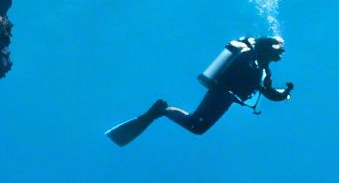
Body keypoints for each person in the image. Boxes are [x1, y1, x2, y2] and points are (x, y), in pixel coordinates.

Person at [106, 36, 293, 146]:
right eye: (279, 48)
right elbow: (259, 86)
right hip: (221, 94)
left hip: (226, 97)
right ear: (266, 47)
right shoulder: (250, 58)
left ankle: (162, 110)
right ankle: (161, 110)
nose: (282, 52)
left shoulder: (262, 67)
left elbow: (268, 92)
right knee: (197, 127)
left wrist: (284, 93)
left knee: (197, 127)